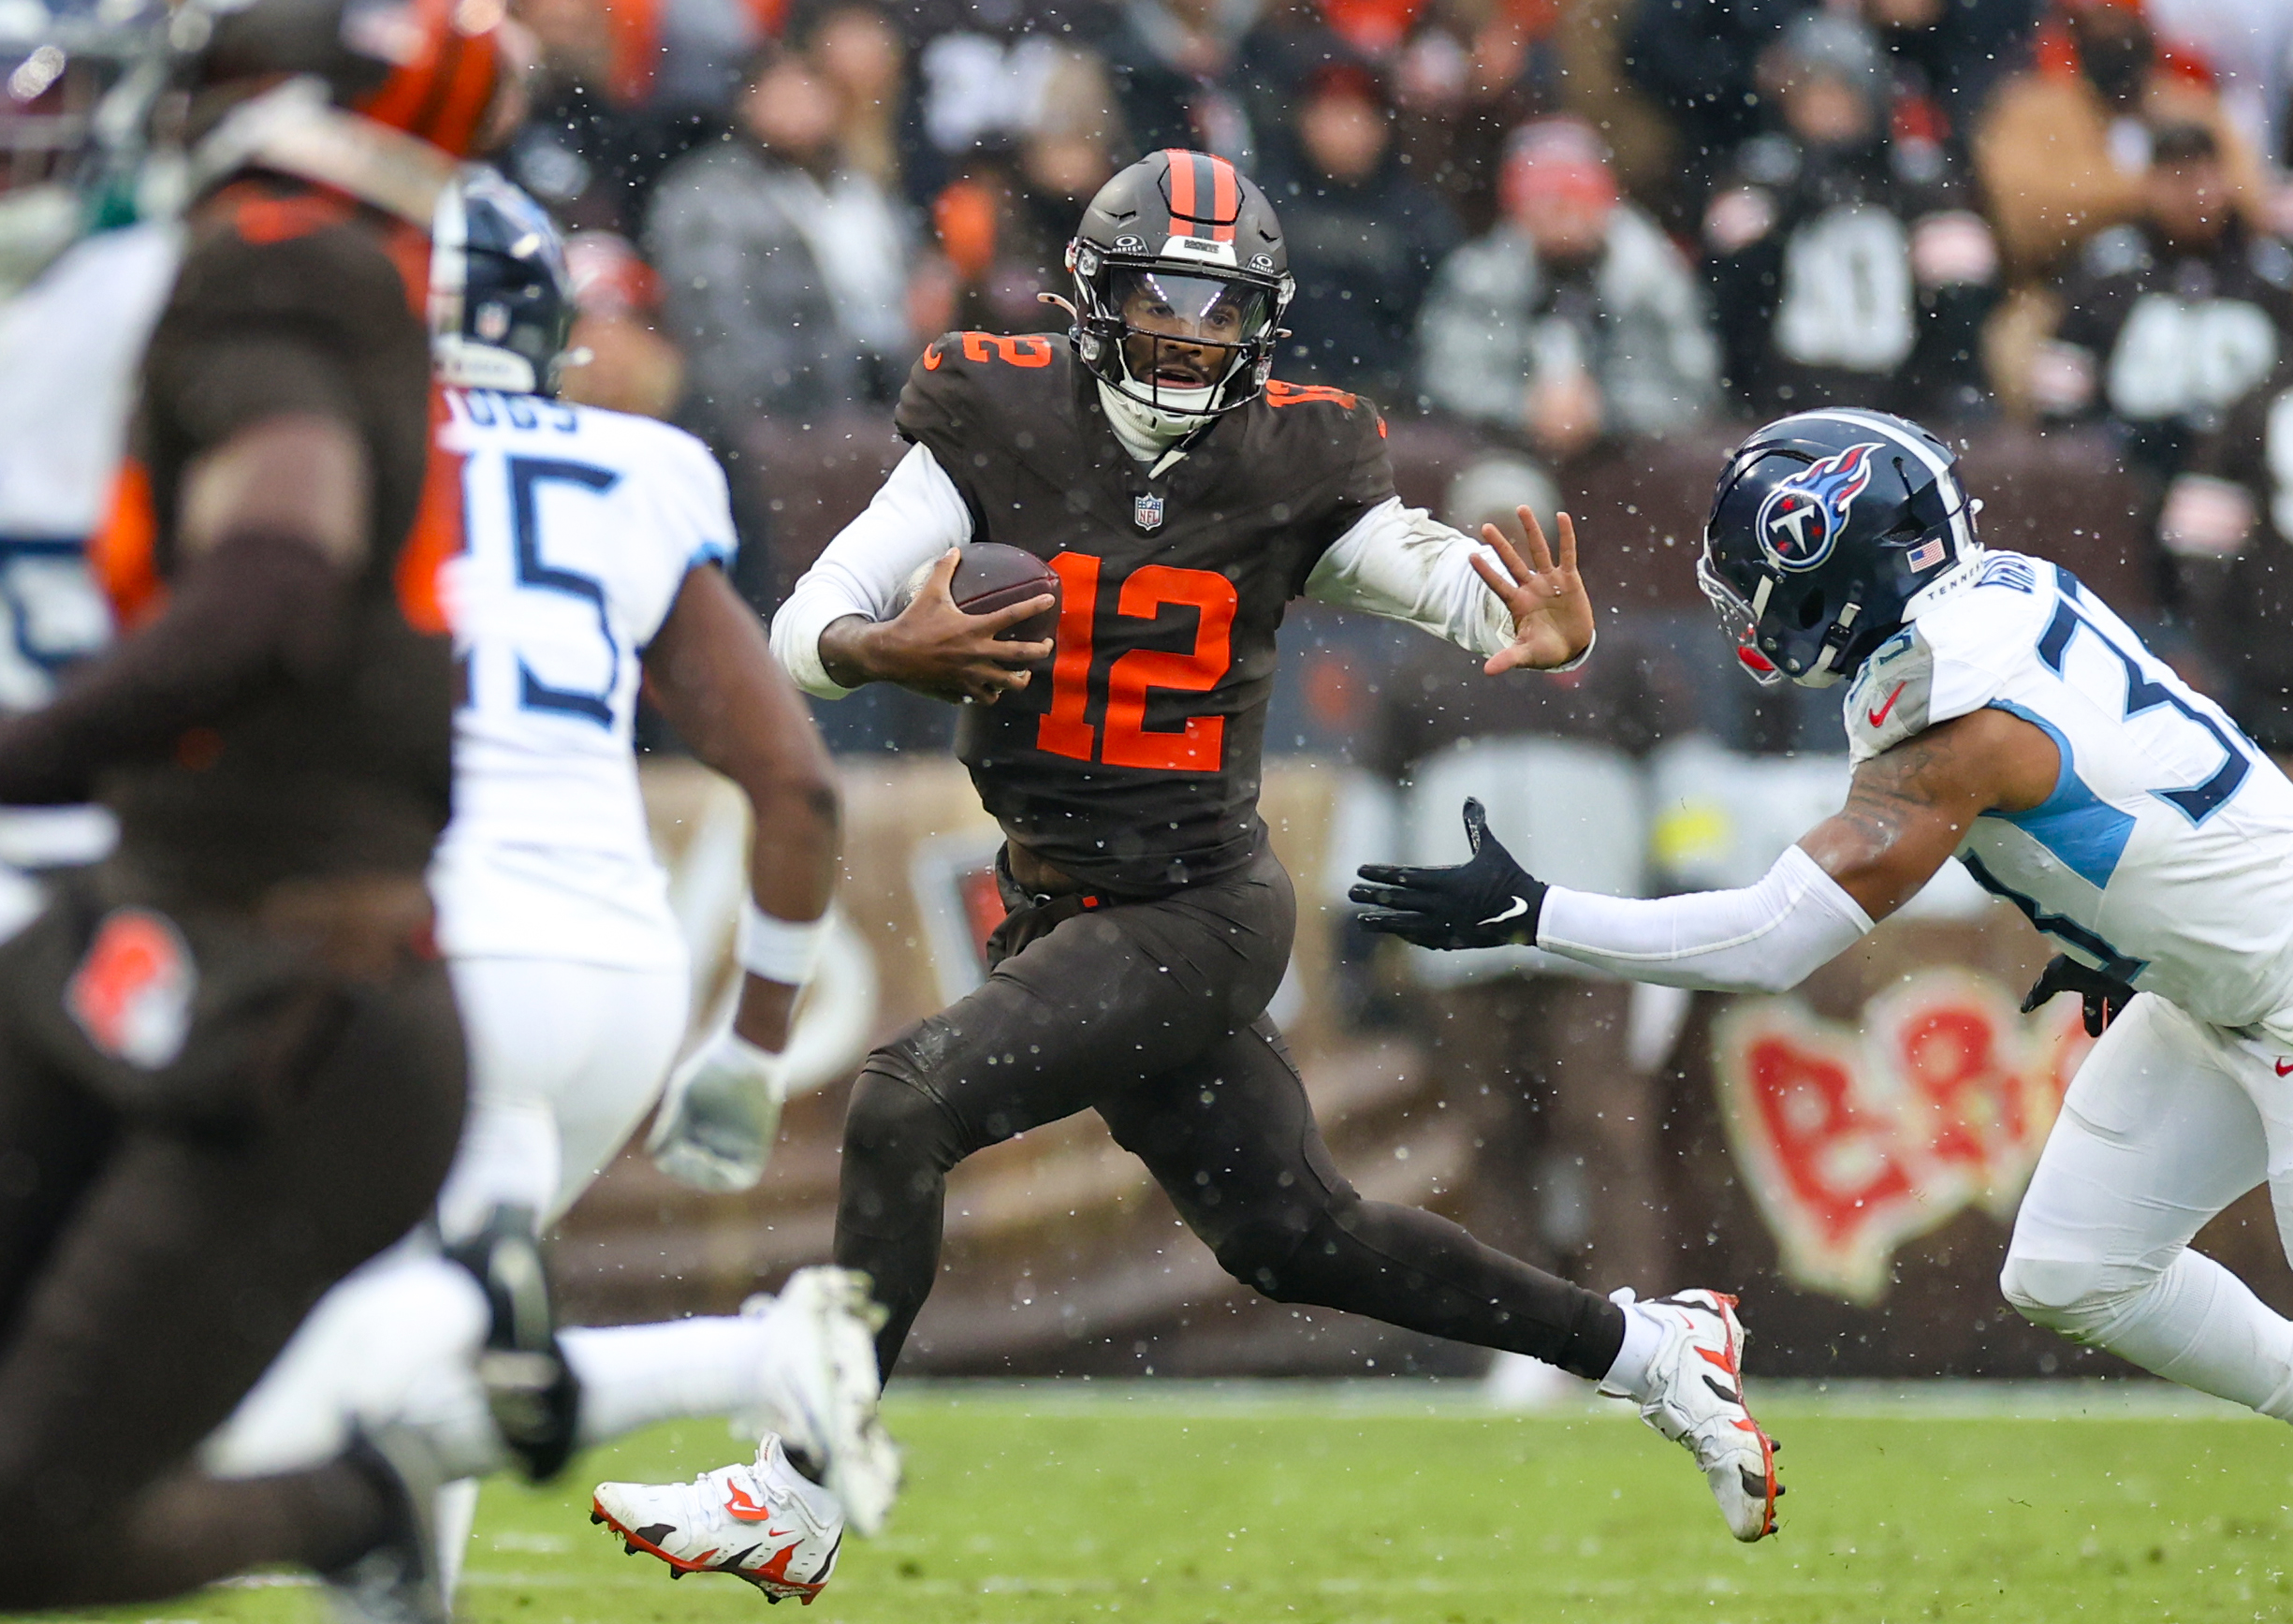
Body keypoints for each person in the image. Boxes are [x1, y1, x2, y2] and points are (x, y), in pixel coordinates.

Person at [595, 149, 1786, 1566]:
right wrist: (880, 647)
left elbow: (1438, 580)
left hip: (1197, 904)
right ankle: (1652, 1348)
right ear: (1092, 296)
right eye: (1161, 296)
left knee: (904, 1106)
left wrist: (1529, 622)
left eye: (1220, 309)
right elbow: (807, 623)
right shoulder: (996, 417)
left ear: (1262, 323)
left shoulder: (1291, 456)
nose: (1188, 331)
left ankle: (796, 1490)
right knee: (1295, 1234)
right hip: (1062, 900)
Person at [203, 166, 900, 1610]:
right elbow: (798, 787)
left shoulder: (305, 452)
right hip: (610, 975)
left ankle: (748, 1355)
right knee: (414, 1341)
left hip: (427, 960)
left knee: (262, 1359)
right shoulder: (633, 462)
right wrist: (748, 1042)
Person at [1351, 405, 2293, 1435]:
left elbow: (1770, 941)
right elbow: (2133, 775)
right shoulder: (2001, 586)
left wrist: (1536, 914)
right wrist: (2126, 933)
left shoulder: (1946, 714)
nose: (1752, 613)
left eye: (1763, 586)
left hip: (2275, 981)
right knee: (2074, 1271)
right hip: (2217, 983)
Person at [0, 0, 499, 1610]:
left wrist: (28, 751)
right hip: (144, 925)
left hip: (298, 992)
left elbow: (278, 582)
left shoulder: (268, 269)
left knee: (27, 1519)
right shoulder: (317, 270)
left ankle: (358, 1502)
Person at [1703, 10, 1999, 421]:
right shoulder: (1762, 174)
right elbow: (1732, 295)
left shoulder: (1918, 179)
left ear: (1870, 96)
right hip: (1785, 398)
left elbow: (1961, 307)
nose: (1826, 109)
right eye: (1812, 93)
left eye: (1840, 92)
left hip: (1901, 397)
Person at [645, 39, 913, 438]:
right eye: (779, 94)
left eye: (808, 92)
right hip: (774, 420)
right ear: (747, 104)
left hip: (880, 402)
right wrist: (790, 411)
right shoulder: (707, 193)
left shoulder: (861, 187)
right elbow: (717, 327)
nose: (796, 108)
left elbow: (905, 295)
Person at [1417, 117, 1717, 461]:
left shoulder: (1653, 278)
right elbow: (1444, 378)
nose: (1560, 213)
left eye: (1574, 196)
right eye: (1542, 198)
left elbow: (1693, 389)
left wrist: (1601, 412)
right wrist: (1527, 408)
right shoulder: (1481, 276)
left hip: (1633, 461)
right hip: (1509, 457)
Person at [2031, 121, 2293, 493]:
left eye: (2202, 178)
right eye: (2176, 179)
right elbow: (2062, 387)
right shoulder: (2109, 268)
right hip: (2131, 460)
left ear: (2225, 181)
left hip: (2244, 468)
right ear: (2150, 185)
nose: (2192, 196)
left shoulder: (2271, 273)